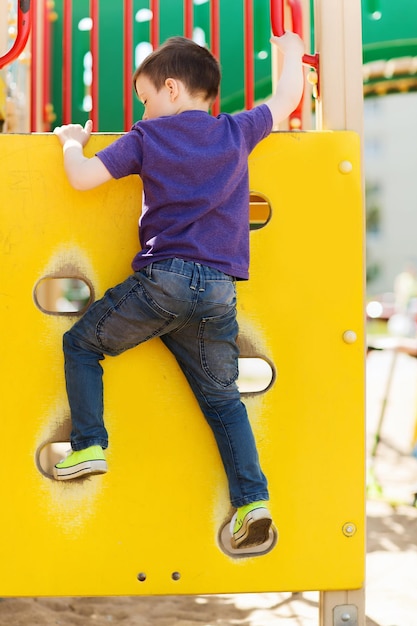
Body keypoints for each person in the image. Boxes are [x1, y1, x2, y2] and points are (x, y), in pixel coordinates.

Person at [53, 32, 304, 549]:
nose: (142, 108)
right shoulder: (236, 131)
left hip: (163, 283)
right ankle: (252, 503)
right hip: (218, 294)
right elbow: (286, 99)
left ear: (169, 89)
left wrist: (71, 140)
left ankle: (89, 444)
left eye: (144, 97)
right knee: (223, 400)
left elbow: (80, 179)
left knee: (81, 343)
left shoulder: (149, 137)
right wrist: (292, 49)